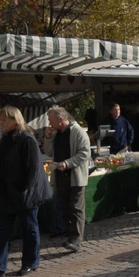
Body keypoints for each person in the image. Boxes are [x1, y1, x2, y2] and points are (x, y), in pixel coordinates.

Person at [0, 106, 49, 277]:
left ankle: (30, 262)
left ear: (15, 120)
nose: (2, 123)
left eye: (5, 120)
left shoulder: (27, 140)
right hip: (6, 193)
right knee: (2, 229)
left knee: (29, 228)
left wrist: (21, 189)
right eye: (1, 120)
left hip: (25, 194)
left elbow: (32, 170)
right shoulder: (6, 140)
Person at [45, 106, 90, 253]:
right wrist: (47, 138)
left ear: (61, 119)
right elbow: (48, 152)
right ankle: (69, 235)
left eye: (51, 120)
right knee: (64, 207)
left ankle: (76, 240)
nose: (49, 123)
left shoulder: (78, 132)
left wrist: (68, 163)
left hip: (75, 176)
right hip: (59, 176)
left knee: (76, 208)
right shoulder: (57, 133)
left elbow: (85, 153)